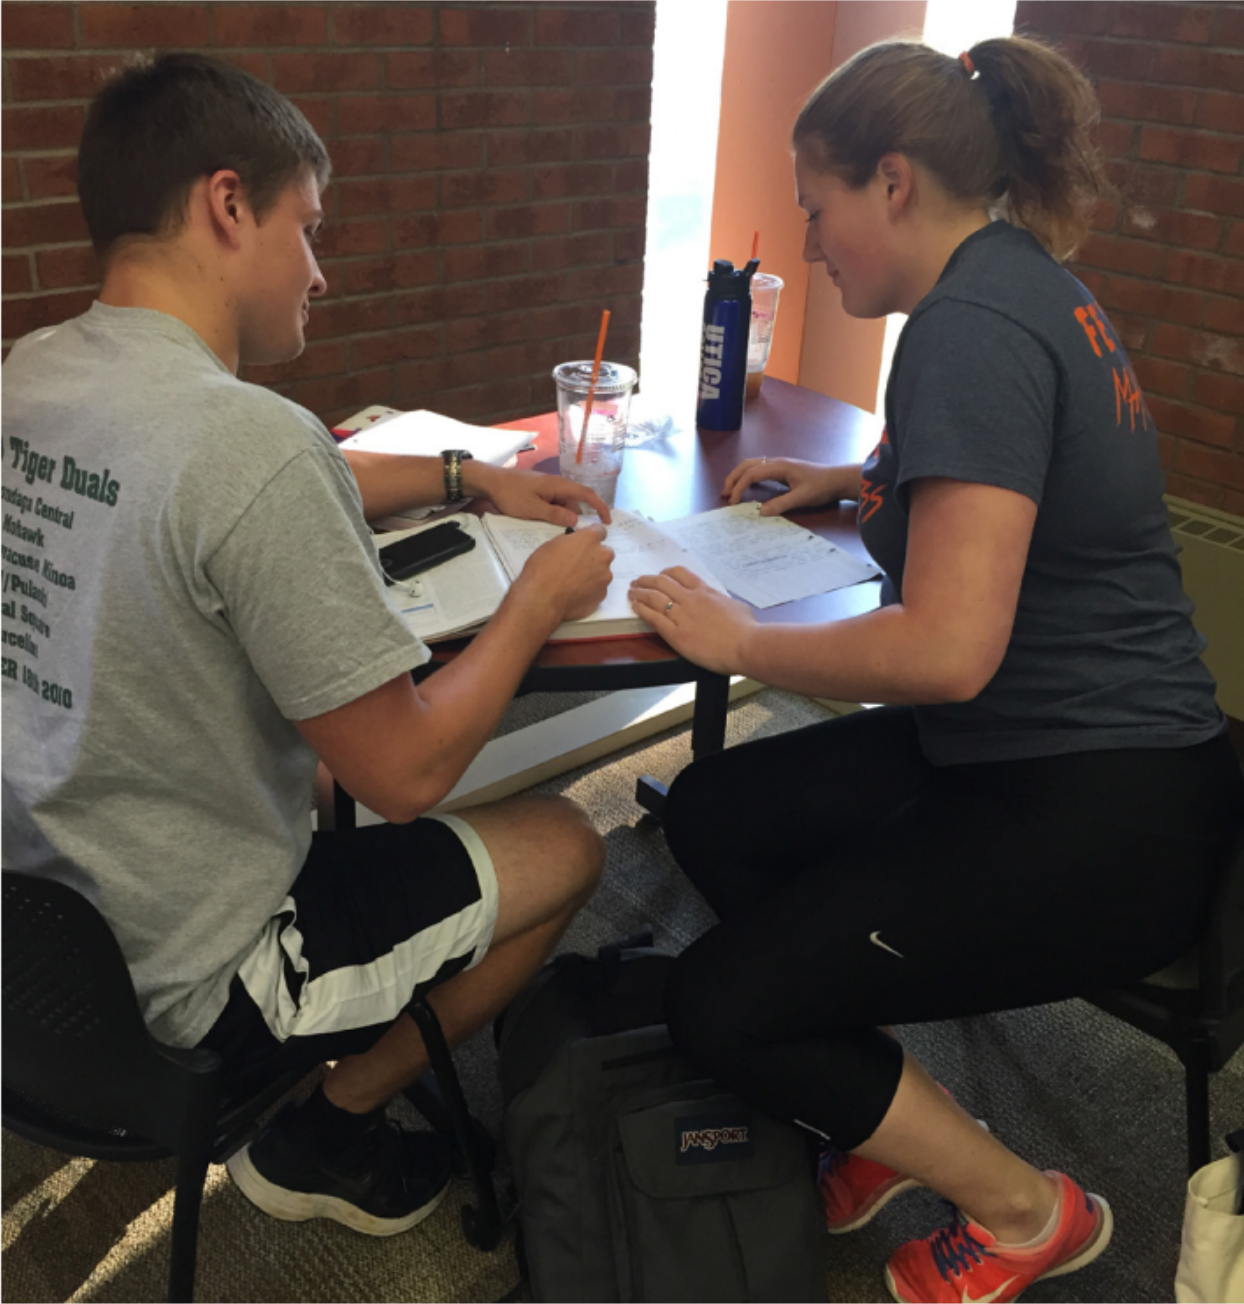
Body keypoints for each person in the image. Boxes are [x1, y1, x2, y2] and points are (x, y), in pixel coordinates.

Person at [628, 36, 1244, 1304]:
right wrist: (854, 482)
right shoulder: (1020, 281)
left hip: (1093, 810)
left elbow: (946, 652)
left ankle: (1026, 1209)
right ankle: (875, 1113)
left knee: (717, 1006)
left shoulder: (963, 327)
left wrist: (740, 643)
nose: (808, 243)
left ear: (891, 181)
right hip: (1080, 756)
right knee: (711, 810)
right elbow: (1007, 468)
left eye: (816, 208)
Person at [1, 52, 618, 1238]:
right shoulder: (251, 443)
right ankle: (322, 1128)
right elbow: (411, 770)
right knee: (564, 840)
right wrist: (536, 601)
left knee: (322, 758)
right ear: (227, 204)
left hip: (38, 940)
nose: (320, 271)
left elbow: (248, 476)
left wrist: (460, 472)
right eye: (308, 226)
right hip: (193, 978)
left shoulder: (35, 375)